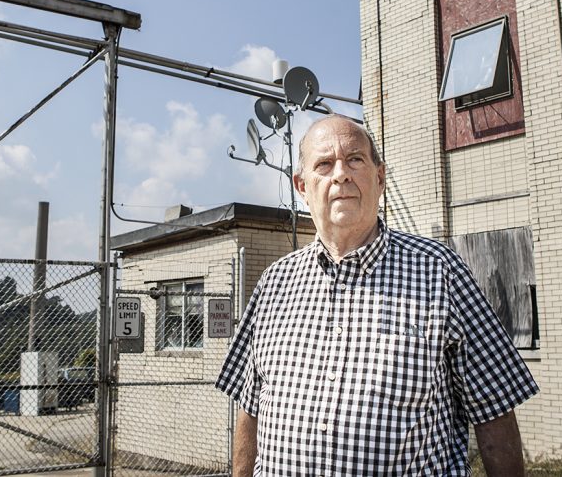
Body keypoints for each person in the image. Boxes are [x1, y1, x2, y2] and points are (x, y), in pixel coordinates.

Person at [216, 115, 538, 476]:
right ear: (302, 187)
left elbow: (495, 411)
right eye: (324, 164)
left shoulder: (441, 271)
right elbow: (250, 408)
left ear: (380, 178)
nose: (341, 174)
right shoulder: (274, 283)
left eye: (354, 159)